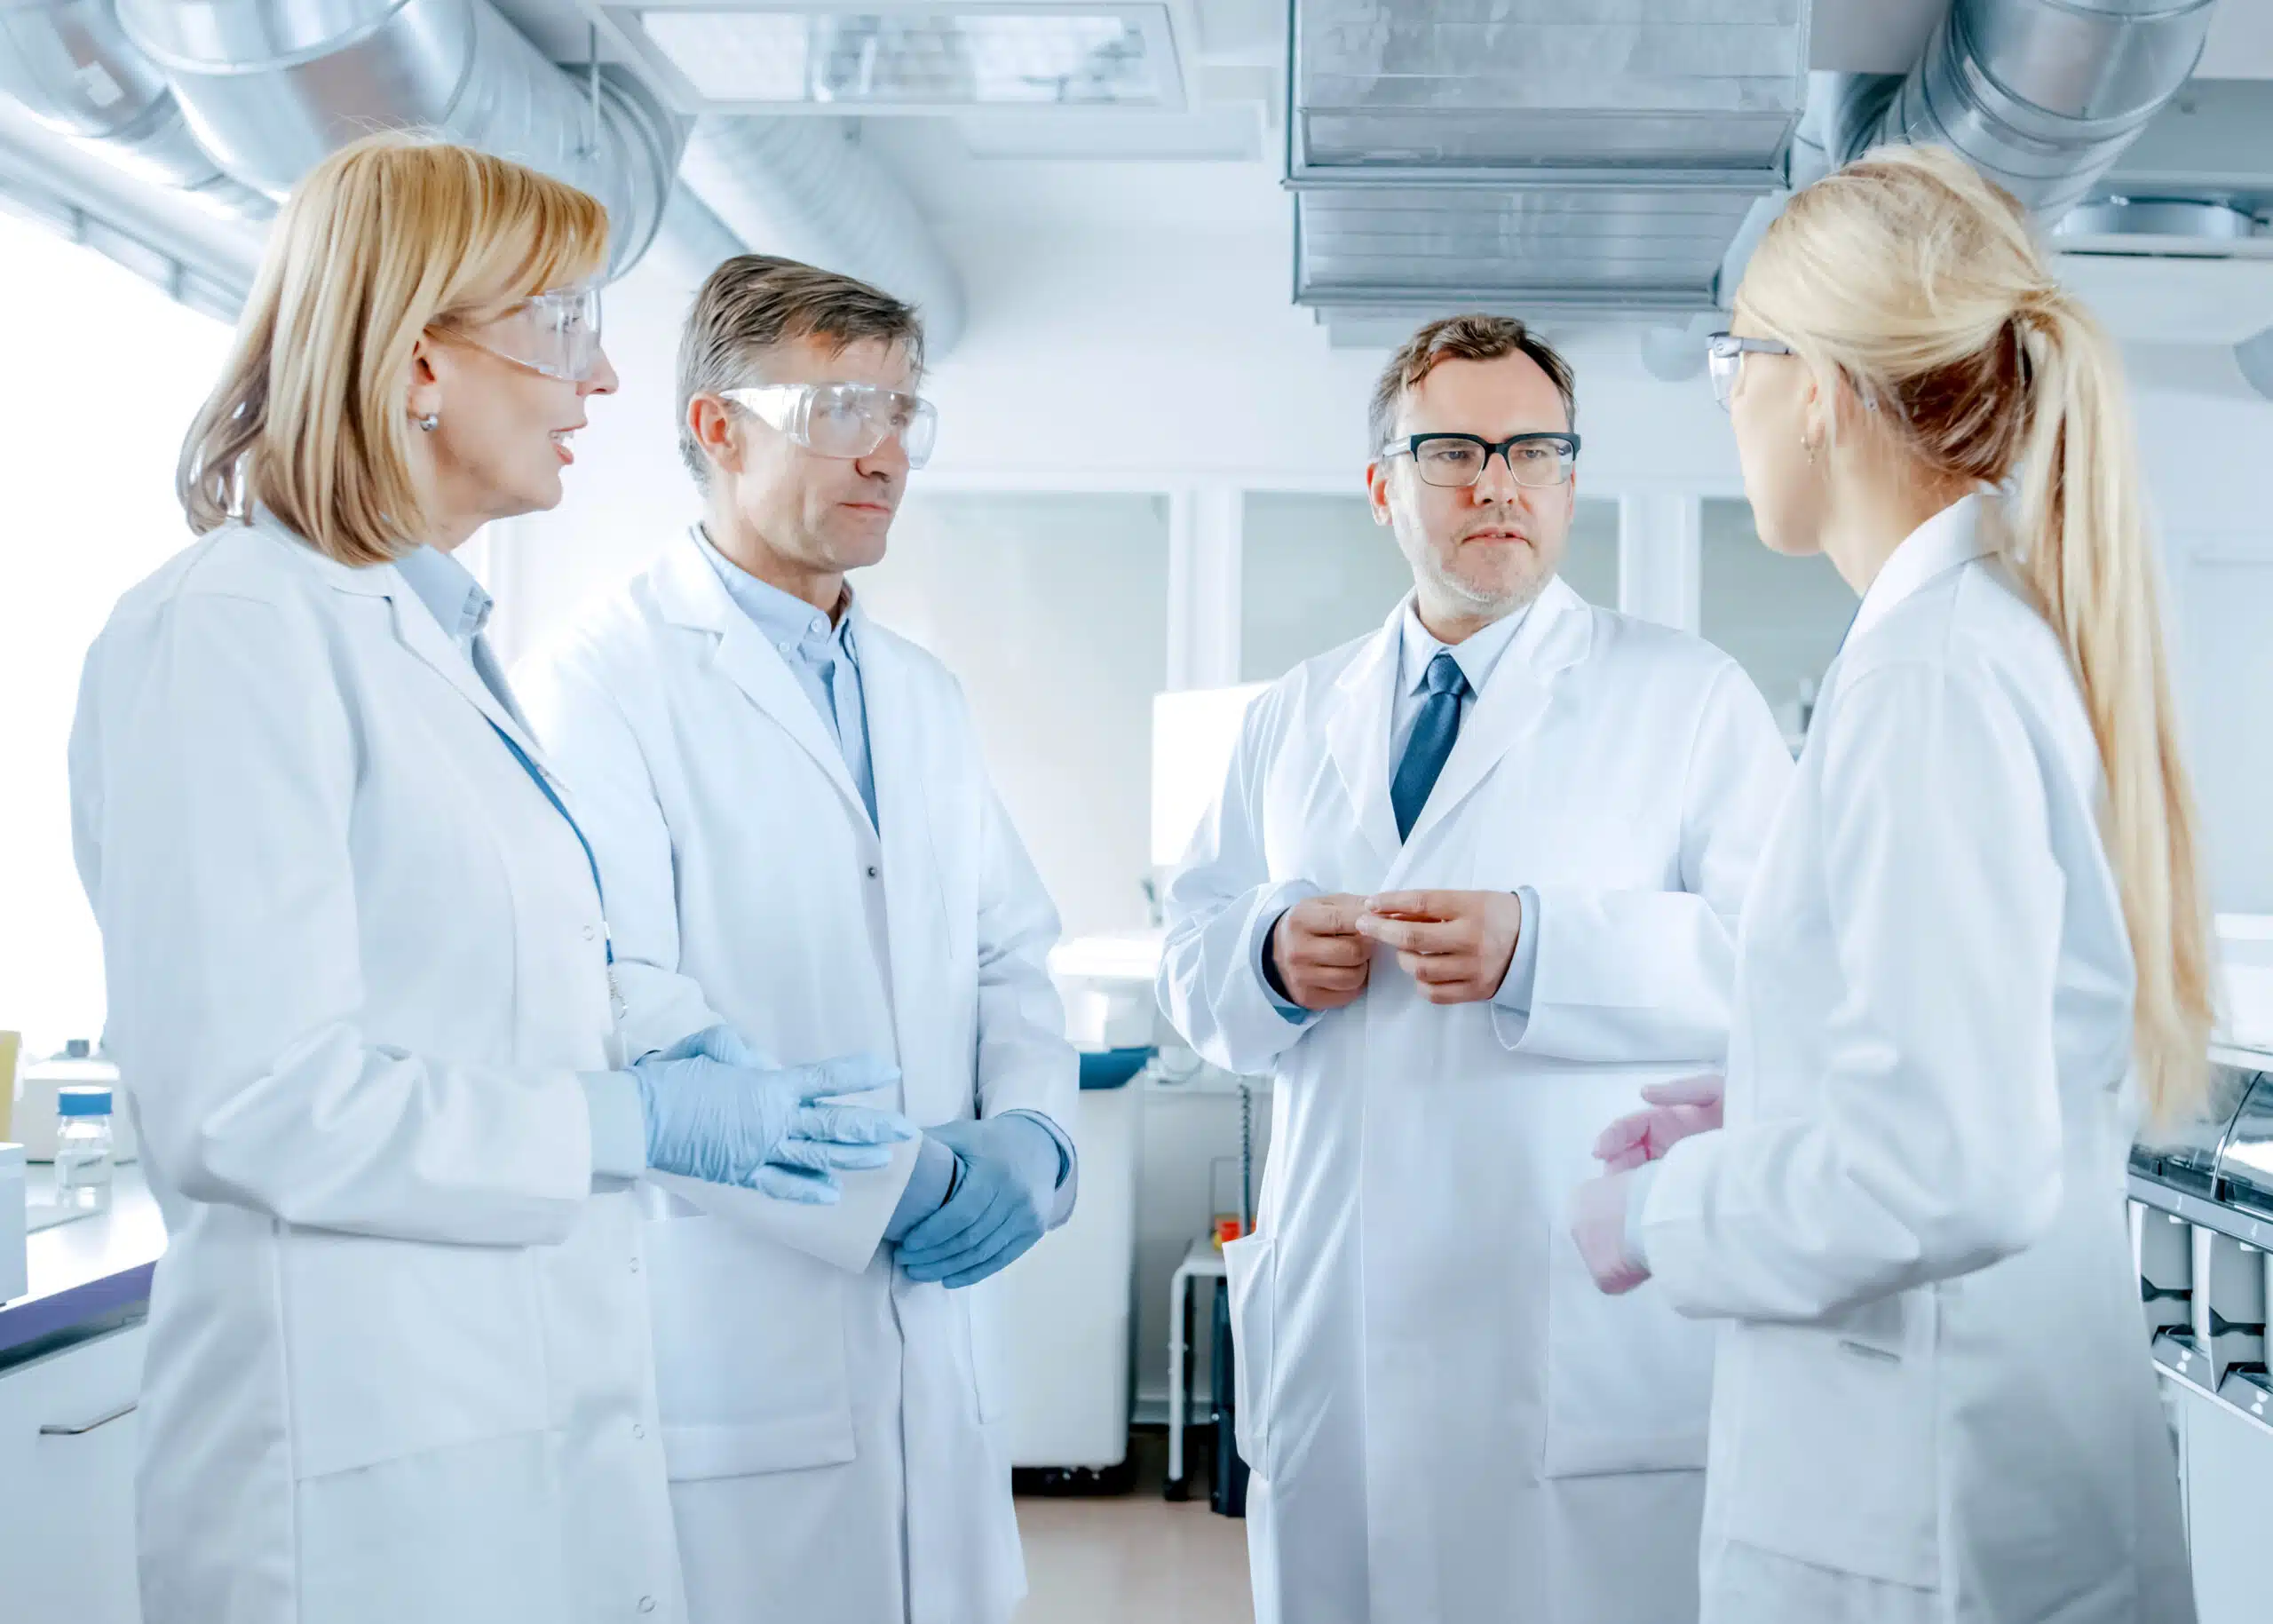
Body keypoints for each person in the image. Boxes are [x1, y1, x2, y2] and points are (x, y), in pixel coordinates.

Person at [67, 137, 910, 1624]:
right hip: (353, 1486)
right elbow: (253, 1105)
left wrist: (652, 1029)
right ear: (418, 364)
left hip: (507, 1435)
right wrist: (629, 1118)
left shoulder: (428, 634)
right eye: (560, 325)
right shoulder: (232, 634)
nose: (596, 381)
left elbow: (489, 964)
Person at [1571, 145, 2209, 1624]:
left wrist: (1665, 1211)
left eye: (1738, 354)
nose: (1729, 398)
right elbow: (1986, 1069)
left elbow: (1946, 1168)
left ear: (1821, 386)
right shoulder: (1969, 643)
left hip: (1922, 1523)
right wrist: (1780, 1103)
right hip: (1968, 1478)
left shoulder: (1932, 676)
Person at [1157, 314, 1794, 1624]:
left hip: (1565, 1325)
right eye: (1452, 450)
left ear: (1569, 480)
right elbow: (1192, 953)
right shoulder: (1293, 712)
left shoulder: (1686, 696)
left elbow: (1783, 970)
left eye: (1533, 450)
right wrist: (1268, 958)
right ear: (1386, 486)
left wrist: (1541, 944)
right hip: (1342, 1306)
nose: (1496, 482)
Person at [514, 256, 1079, 1624]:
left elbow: (1012, 954)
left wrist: (1036, 1144)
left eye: (903, 413)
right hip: (738, 1327)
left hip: (931, 1333)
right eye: (840, 409)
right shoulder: (601, 679)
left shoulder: (920, 694)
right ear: (719, 428)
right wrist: (899, 1186)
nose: (886, 452)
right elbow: (629, 1001)